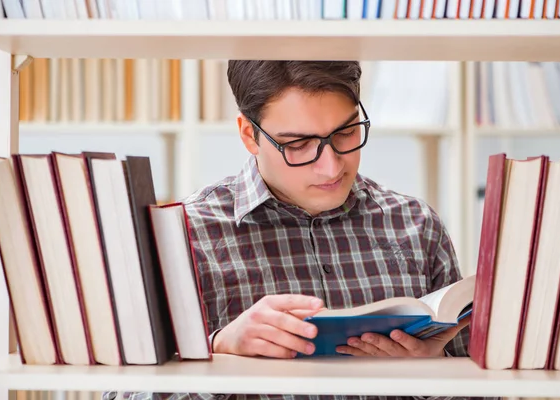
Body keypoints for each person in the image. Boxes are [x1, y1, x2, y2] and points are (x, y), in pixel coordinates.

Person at [124, 60, 484, 400]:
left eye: (345, 132)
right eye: (298, 144)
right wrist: (220, 350)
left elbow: (485, 390)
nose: (330, 168)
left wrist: (432, 376)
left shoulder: (416, 225)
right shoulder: (183, 236)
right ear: (249, 135)